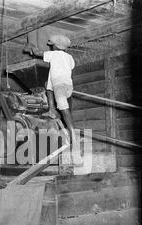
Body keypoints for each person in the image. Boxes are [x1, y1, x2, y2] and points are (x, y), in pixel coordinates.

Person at [24, 35, 82, 164]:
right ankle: (51, 109)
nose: (50, 46)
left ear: (56, 46)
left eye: (52, 44)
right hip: (67, 85)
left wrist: (31, 47)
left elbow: (38, 53)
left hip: (59, 85)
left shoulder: (54, 54)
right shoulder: (69, 57)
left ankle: (72, 132)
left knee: (64, 108)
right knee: (48, 86)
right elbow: (70, 67)